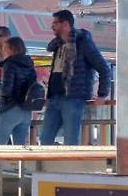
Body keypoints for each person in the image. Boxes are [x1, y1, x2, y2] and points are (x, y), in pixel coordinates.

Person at [40, 9, 112, 146]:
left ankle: (71, 161)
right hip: (54, 97)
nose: (52, 26)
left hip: (73, 98)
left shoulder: (83, 42)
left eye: (55, 23)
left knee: (70, 140)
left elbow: (104, 68)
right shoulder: (58, 44)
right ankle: (47, 161)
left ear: (66, 24)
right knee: (44, 140)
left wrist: (102, 94)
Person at [0, 37, 37, 145]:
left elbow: (6, 90)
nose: (3, 51)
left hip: (9, 108)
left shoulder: (9, 64)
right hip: (26, 110)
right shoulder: (30, 65)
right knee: (20, 147)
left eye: (5, 48)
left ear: (12, 49)